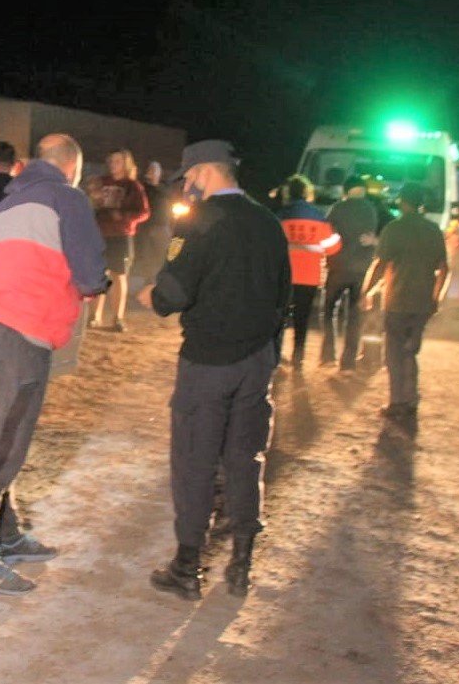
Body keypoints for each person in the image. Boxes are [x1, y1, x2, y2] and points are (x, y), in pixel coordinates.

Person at [135, 139, 291, 600]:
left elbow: (172, 295)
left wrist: (150, 294)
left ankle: (187, 567)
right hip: (256, 360)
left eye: (186, 179)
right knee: (246, 458)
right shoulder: (268, 222)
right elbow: (284, 295)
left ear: (203, 173)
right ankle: (241, 563)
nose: (186, 188)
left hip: (208, 361)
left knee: (195, 460)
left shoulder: (201, 222)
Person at [0, 133, 108, 596]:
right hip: (19, 337)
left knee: (4, 440)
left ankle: (6, 534)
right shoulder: (67, 197)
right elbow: (89, 275)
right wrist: (102, 282)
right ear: (71, 166)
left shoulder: (5, 204)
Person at [361, 183, 451, 421]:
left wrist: (367, 292)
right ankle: (411, 399)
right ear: (421, 203)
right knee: (411, 350)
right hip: (423, 302)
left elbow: (380, 265)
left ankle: (397, 401)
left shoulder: (394, 229)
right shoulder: (433, 230)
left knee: (394, 352)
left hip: (397, 301)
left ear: (402, 202)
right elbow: (444, 269)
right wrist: (436, 298)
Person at [275, 175, 340, 368]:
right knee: (302, 318)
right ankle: (298, 358)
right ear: (307, 192)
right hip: (309, 275)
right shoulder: (318, 216)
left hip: (284, 275)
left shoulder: (281, 215)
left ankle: (276, 355)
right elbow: (333, 246)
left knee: (280, 317)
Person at [85, 149, 150, 332]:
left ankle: (117, 318)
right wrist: (93, 198)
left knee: (118, 275)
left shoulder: (132, 186)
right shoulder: (102, 182)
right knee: (98, 275)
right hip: (99, 233)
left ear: (126, 164)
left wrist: (122, 216)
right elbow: (90, 203)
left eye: (118, 161)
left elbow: (144, 212)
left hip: (121, 235)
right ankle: (94, 316)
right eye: (112, 161)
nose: (113, 165)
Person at [320, 176, 378, 370]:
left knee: (329, 311)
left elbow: (325, 233)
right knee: (354, 316)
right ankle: (348, 361)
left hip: (338, 267)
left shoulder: (338, 209)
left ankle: (328, 355)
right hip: (362, 271)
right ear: (362, 190)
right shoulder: (372, 209)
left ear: (346, 190)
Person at [132, 160, 176, 297]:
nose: (151, 173)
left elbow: (170, 197)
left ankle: (161, 283)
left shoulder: (164, 188)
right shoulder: (143, 188)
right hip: (146, 228)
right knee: (147, 255)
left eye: (155, 170)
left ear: (159, 173)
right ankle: (149, 282)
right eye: (150, 170)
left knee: (162, 255)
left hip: (162, 226)